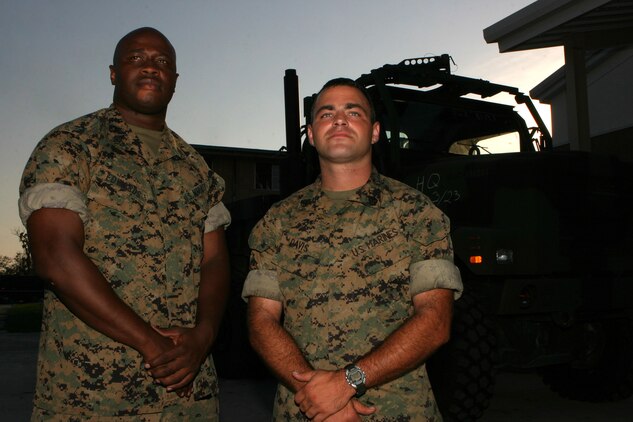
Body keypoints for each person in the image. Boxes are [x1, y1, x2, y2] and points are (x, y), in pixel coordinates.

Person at [19, 27, 230, 420]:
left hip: (190, 400)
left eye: (162, 62)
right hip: (94, 397)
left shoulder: (196, 169)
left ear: (175, 81)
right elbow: (55, 257)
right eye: (136, 58)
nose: (151, 67)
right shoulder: (71, 145)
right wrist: (150, 344)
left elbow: (214, 261)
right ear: (113, 73)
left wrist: (203, 336)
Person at [242, 78, 463, 421]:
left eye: (353, 112)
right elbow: (261, 321)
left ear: (374, 132)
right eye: (326, 113)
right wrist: (316, 396)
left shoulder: (417, 213)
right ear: (312, 135)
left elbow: (435, 320)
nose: (340, 120)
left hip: (394, 410)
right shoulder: (278, 222)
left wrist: (346, 383)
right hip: (304, 410)